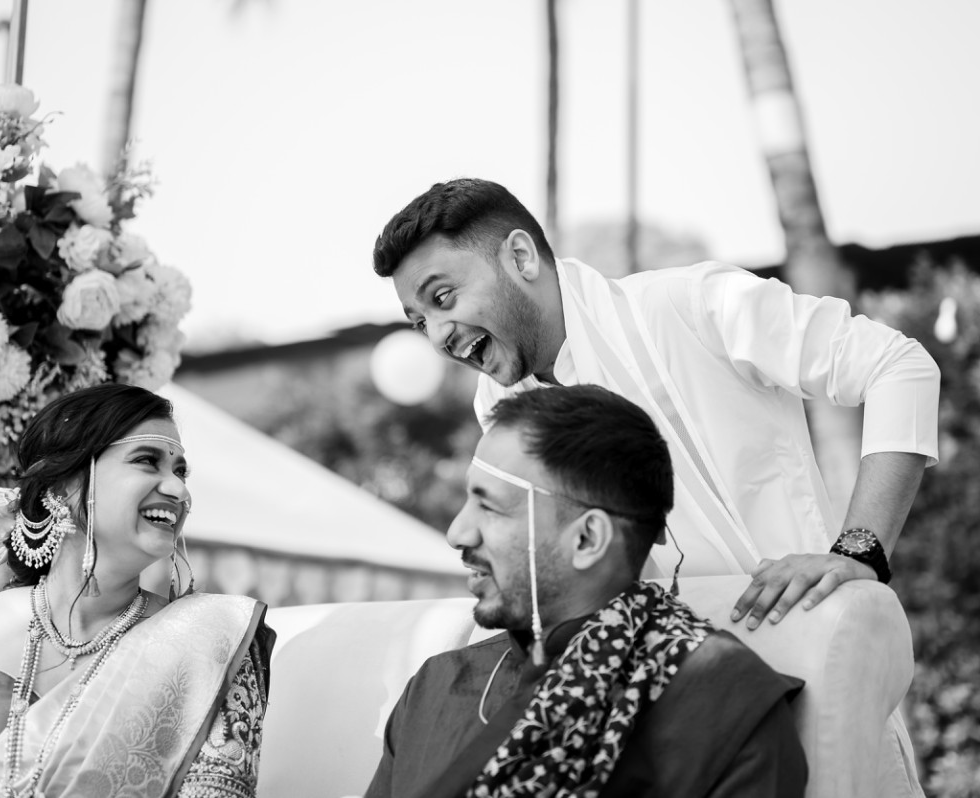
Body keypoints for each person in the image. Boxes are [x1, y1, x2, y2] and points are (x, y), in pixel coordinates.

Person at [372, 178, 935, 796]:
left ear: (521, 257)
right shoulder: (497, 401)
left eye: (443, 297)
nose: (436, 335)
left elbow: (897, 367)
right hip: (666, 715)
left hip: (815, 658)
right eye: (419, 318)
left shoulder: (689, 304)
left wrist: (857, 551)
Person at [365, 385, 807, 798]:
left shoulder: (723, 704)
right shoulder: (435, 687)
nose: (456, 532)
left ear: (586, 539)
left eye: (489, 506)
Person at [0, 383, 273, 798]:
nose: (179, 491)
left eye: (180, 472)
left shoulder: (209, 646)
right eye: (147, 461)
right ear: (59, 489)